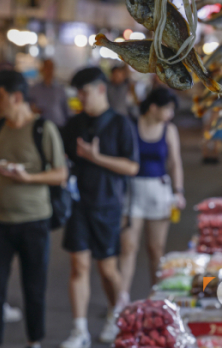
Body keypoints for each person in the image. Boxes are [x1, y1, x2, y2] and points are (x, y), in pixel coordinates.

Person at [60, 67, 139, 347]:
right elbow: (62, 159)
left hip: (108, 204)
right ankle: (79, 329)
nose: (81, 98)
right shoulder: (74, 124)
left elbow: (131, 167)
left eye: (85, 92)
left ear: (101, 89)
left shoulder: (121, 124)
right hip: (78, 203)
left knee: (107, 269)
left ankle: (117, 313)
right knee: (79, 265)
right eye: (78, 93)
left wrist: (97, 157)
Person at [0, 70, 68, 348]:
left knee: (34, 289)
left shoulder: (42, 129)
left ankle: (34, 341)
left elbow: (61, 174)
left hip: (34, 221)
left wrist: (29, 178)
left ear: (16, 97)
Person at [120, 88, 186, 302]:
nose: (170, 114)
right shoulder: (131, 125)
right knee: (128, 246)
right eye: (167, 109)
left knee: (155, 249)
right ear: (153, 108)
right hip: (132, 192)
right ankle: (121, 299)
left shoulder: (169, 130)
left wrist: (179, 191)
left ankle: (156, 297)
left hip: (159, 193)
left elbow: (175, 163)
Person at [29, 59, 71, 127]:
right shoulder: (34, 89)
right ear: (42, 69)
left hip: (58, 125)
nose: (49, 70)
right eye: (47, 67)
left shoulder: (60, 89)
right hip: (41, 126)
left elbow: (66, 110)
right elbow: (28, 106)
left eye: (51, 67)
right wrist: (33, 109)